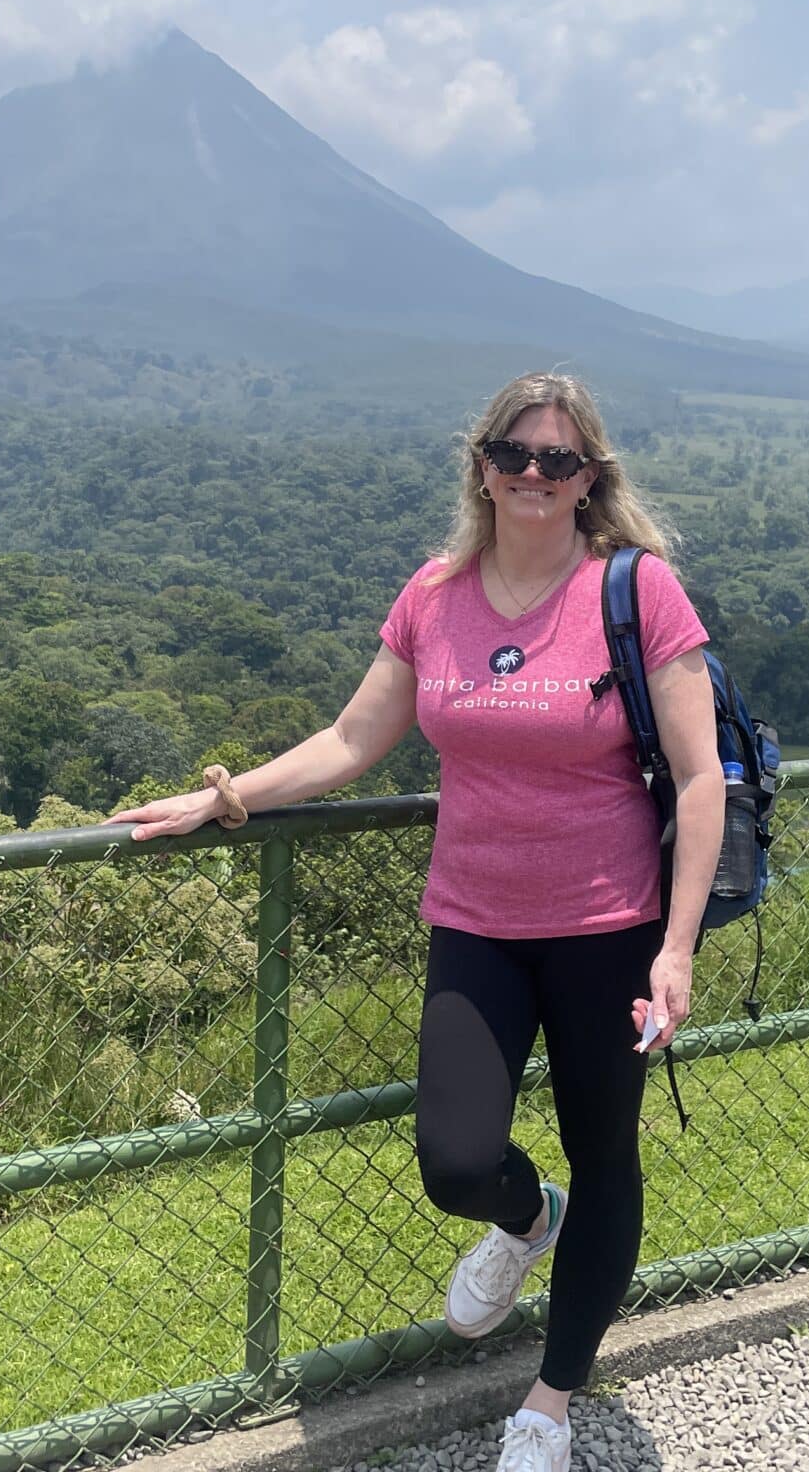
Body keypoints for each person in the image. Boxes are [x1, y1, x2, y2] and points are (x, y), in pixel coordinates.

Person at [109, 371, 724, 1472]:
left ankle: (548, 1403)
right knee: (452, 1159)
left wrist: (674, 949)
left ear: (590, 480)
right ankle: (528, 1215)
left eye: (560, 460)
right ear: (480, 463)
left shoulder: (635, 593)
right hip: (477, 921)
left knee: (609, 1153)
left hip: (609, 927)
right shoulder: (435, 595)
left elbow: (696, 779)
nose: (534, 476)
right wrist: (225, 795)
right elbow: (353, 740)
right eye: (515, 454)